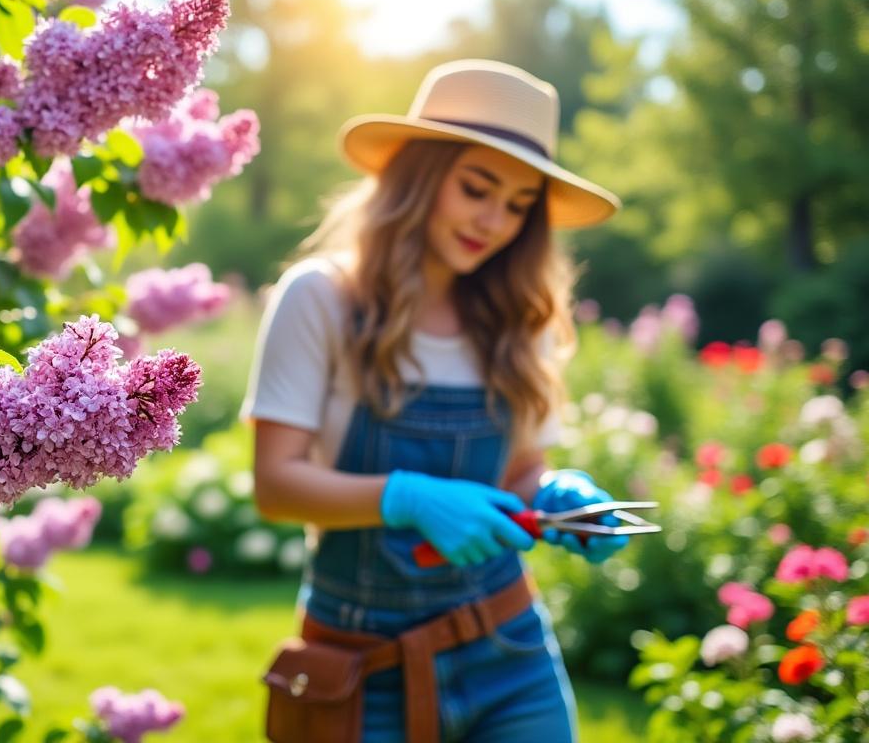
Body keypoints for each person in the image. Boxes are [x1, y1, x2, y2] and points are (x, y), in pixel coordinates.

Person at [243, 59, 630, 742]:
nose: (494, 221)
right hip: (362, 665)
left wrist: (559, 495)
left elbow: (521, 472)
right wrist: (407, 497)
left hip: (508, 652)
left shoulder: (520, 319)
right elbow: (276, 486)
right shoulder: (322, 299)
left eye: (517, 205)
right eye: (477, 188)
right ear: (417, 178)